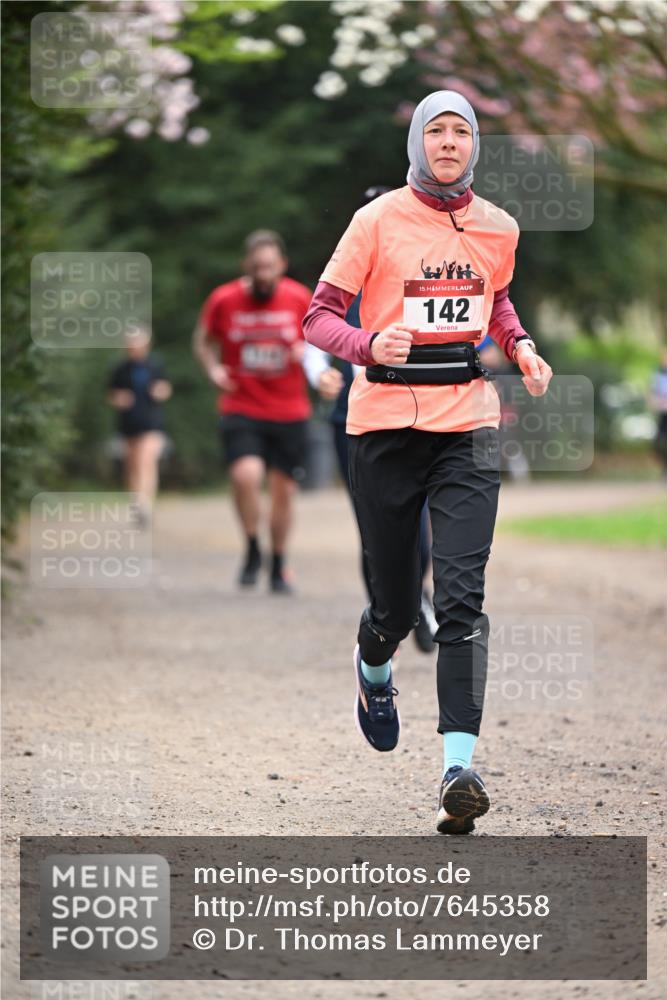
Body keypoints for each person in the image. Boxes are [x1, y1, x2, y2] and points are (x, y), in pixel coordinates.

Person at [304, 90, 553, 834]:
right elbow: (317, 316)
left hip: (466, 425)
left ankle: (456, 770)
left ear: (474, 145)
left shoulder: (498, 227)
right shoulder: (375, 221)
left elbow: (495, 302)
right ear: (417, 141)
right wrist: (364, 344)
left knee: (461, 599)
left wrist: (520, 347)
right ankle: (373, 669)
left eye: (461, 132)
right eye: (435, 131)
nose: (448, 142)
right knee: (393, 604)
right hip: (383, 426)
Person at [193, 230, 315, 594]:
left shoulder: (299, 297)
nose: (263, 273)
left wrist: (306, 351)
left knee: (284, 491)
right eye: (257, 266)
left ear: (282, 265)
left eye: (270, 266)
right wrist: (213, 369)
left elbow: (322, 338)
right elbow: (203, 340)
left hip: (290, 409)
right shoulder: (224, 298)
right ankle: (251, 546)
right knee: (246, 475)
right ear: (246, 265)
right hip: (241, 404)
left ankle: (278, 561)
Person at [107, 326, 171, 526]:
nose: (134, 348)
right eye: (131, 344)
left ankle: (144, 505)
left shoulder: (155, 365)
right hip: (129, 424)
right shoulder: (119, 368)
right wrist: (119, 399)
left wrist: (160, 391)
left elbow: (166, 387)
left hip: (152, 423)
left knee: (146, 461)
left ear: (146, 345)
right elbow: (111, 394)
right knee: (132, 466)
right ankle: (136, 502)